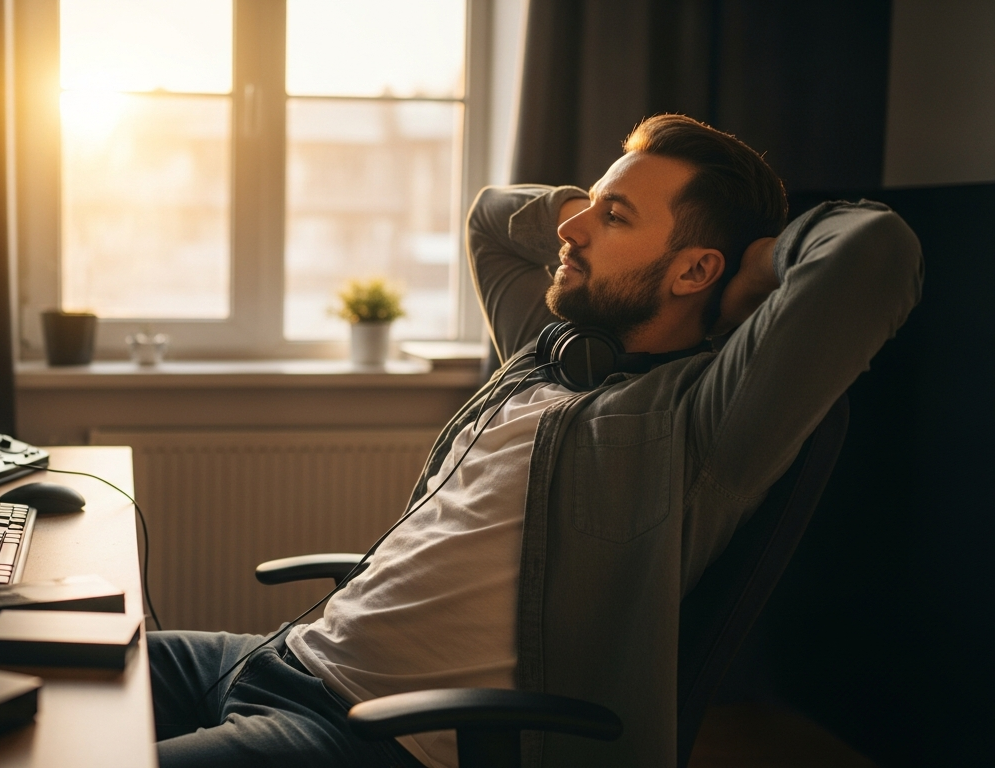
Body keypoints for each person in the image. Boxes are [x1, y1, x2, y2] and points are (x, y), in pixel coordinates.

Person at [147, 114, 923, 768]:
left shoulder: (698, 427)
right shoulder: (551, 350)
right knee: (37, 658)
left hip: (357, 733)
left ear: (694, 271)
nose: (569, 227)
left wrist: (759, 266)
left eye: (612, 217)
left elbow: (877, 252)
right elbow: (491, 216)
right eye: (586, 204)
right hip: (272, 657)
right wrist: (600, 202)